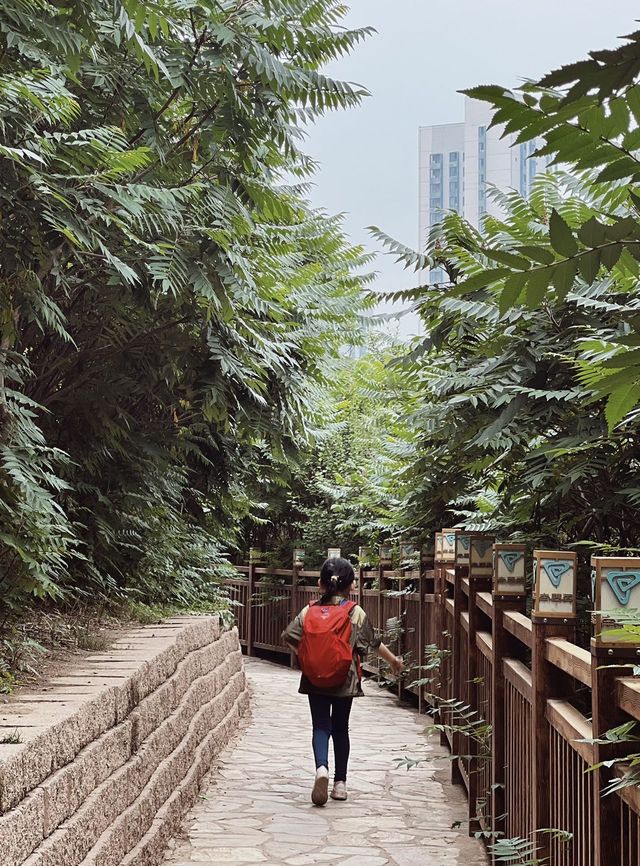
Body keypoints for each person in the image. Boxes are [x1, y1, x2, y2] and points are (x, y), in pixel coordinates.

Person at [282, 556, 404, 806]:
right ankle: (340, 784)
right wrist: (394, 662)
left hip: (314, 678)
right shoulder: (354, 611)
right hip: (344, 679)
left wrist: (308, 658)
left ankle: (321, 769)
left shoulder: (309, 610)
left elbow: (290, 637)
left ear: (320, 583)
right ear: (351, 585)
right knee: (340, 729)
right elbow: (373, 642)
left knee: (320, 726)